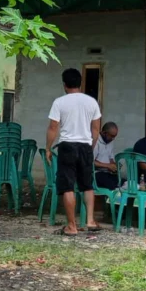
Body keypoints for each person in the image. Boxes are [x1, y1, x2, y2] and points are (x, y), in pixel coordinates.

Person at [45, 68, 102, 235]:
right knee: (87, 185)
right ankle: (90, 220)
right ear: (80, 83)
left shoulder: (59, 102)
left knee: (68, 186)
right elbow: (96, 128)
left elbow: (53, 127)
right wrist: (90, 146)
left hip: (67, 146)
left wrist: (48, 147)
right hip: (85, 146)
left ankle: (71, 226)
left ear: (64, 84)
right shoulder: (92, 102)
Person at [94, 122, 120, 190]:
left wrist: (114, 166)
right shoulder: (95, 141)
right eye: (111, 136)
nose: (112, 139)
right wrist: (108, 166)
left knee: (122, 182)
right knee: (111, 185)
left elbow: (111, 159)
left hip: (107, 173)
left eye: (114, 136)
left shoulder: (110, 142)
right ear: (104, 133)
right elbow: (90, 161)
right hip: (95, 173)